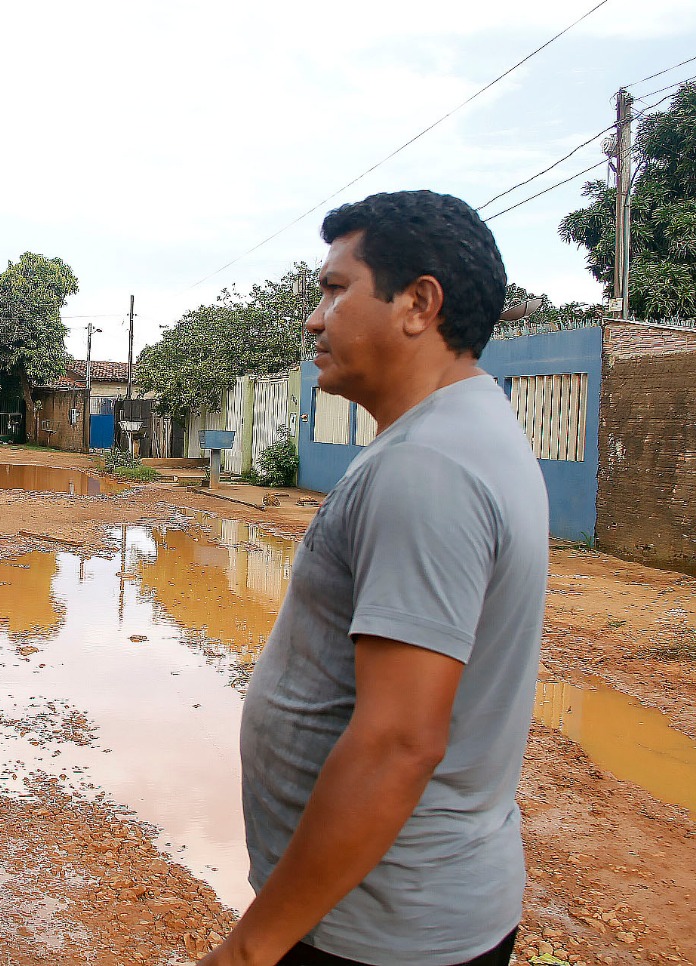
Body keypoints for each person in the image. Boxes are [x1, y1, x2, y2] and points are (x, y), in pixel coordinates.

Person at [201, 190, 548, 966]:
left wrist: (252, 948)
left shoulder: (427, 467)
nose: (315, 318)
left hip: (376, 931)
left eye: (335, 289)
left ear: (419, 303)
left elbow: (399, 740)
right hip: (396, 911)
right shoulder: (469, 431)